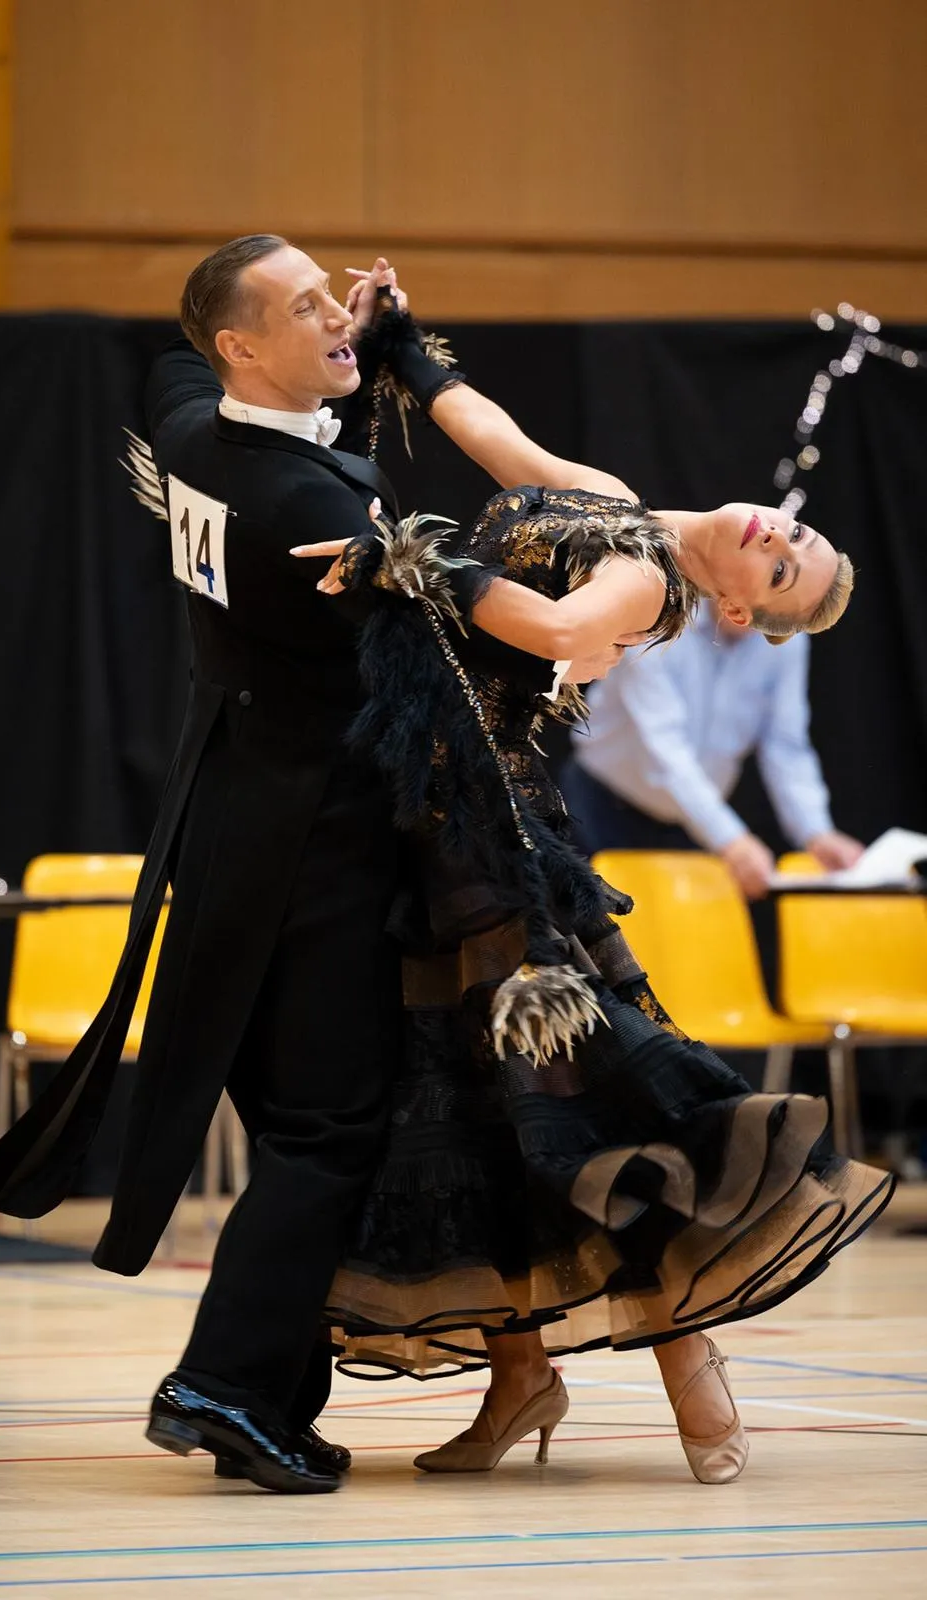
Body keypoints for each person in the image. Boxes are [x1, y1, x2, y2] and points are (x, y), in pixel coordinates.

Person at [296, 303, 894, 1485]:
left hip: (490, 834)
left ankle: (688, 1358)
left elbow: (562, 626)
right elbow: (504, 445)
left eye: (782, 567)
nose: (777, 533)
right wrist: (404, 345)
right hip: (431, 808)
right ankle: (520, 1376)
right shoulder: (617, 503)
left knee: (564, 1098)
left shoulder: (648, 582)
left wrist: (415, 561)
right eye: (795, 534)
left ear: (739, 608)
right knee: (474, 1108)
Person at [0, 238, 475, 1495]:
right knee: (329, 1123)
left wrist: (345, 341)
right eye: (303, 309)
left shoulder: (197, 422)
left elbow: (164, 370)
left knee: (303, 1115)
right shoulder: (309, 507)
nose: (334, 319)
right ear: (242, 347)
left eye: (327, 296)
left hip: (235, 821)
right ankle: (224, 1387)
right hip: (314, 837)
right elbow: (456, 641)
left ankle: (264, 1396)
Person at [554, 599, 863, 899]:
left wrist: (816, 832)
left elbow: (785, 745)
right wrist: (731, 840)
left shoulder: (786, 640)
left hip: (693, 824)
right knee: (591, 939)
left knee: (681, 946)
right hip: (601, 805)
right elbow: (664, 749)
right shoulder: (658, 613)